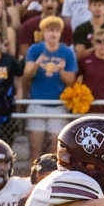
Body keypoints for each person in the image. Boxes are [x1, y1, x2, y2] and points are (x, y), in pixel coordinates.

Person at [23, 15, 76, 159]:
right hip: (36, 103)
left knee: (55, 150)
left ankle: (52, 180)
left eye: (56, 30)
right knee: (35, 149)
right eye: (49, 30)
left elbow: (71, 80)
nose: (53, 33)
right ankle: (33, 180)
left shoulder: (67, 52)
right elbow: (26, 75)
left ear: (60, 33)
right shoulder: (35, 49)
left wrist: (61, 71)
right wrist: (37, 63)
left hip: (58, 105)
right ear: (43, 32)